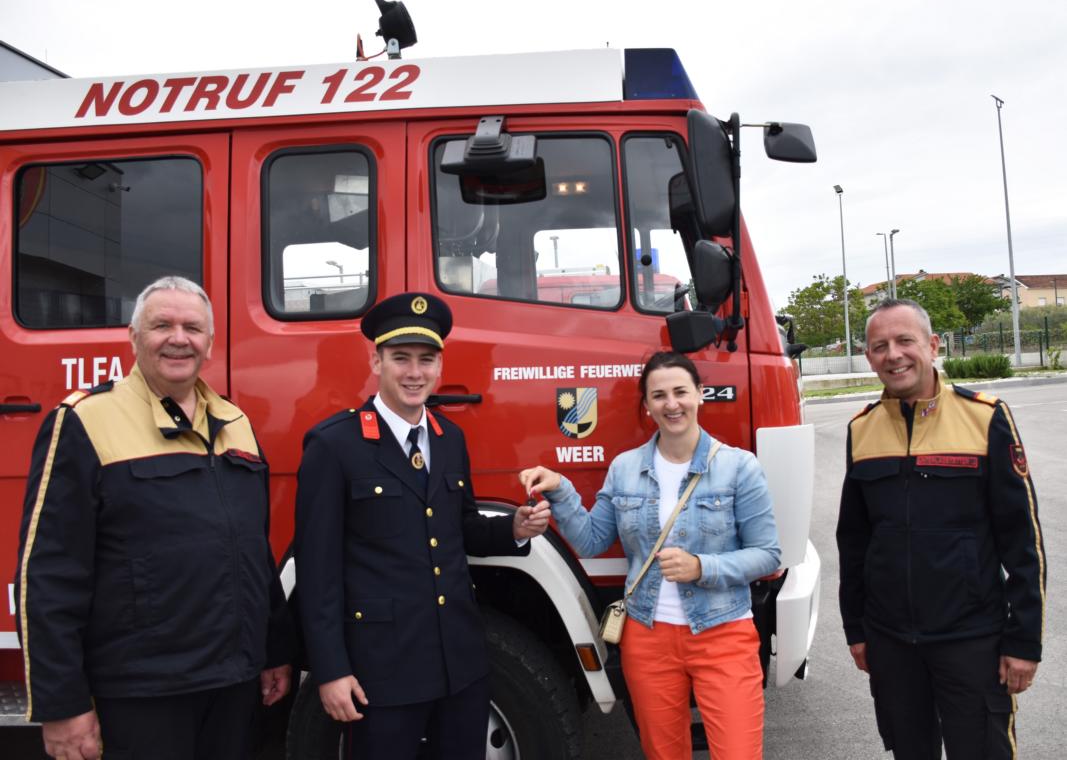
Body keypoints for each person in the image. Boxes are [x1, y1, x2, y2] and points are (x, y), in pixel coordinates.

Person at [14, 276, 293, 760]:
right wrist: (62, 704)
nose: (178, 338)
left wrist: (273, 652)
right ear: (134, 336)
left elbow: (253, 552)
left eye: (193, 327)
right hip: (142, 691)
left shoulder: (236, 423)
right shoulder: (84, 421)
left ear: (210, 342)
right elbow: (48, 575)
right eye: (161, 325)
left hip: (232, 683)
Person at [294, 291, 550, 760]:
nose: (415, 373)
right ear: (376, 360)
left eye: (426, 360)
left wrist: (513, 527)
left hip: (459, 664)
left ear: (440, 367)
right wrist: (330, 670)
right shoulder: (335, 446)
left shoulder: (449, 438)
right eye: (401, 359)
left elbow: (461, 528)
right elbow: (317, 572)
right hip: (382, 672)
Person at [520, 350, 780, 760]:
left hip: (723, 633)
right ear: (647, 405)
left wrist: (701, 568)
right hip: (647, 637)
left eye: (681, 391)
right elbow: (591, 540)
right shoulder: (625, 468)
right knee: (663, 754)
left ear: (700, 395)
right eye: (659, 395)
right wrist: (558, 487)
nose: (671, 404)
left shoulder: (738, 467)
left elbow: (767, 555)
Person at [837, 297, 1046, 760]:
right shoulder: (861, 430)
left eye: (905, 341)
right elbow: (853, 542)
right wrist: (857, 629)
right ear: (869, 357)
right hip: (891, 644)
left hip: (971, 641)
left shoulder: (985, 417)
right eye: (879, 346)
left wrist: (1023, 640)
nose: (893, 354)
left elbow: (1023, 541)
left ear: (932, 346)